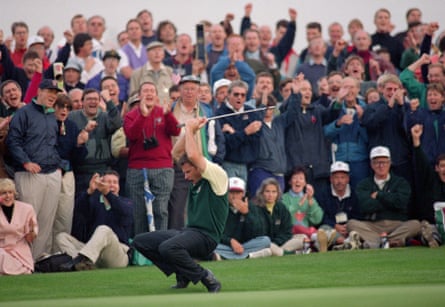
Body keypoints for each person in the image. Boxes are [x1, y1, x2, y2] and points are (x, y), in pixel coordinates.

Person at [133, 116, 229, 293]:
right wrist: (189, 131)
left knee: (168, 247)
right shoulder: (194, 176)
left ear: (199, 167)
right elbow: (177, 154)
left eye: (188, 171)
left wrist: (192, 129)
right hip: (189, 232)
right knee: (141, 241)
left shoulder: (217, 175)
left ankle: (205, 276)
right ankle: (183, 273)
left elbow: (193, 154)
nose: (185, 177)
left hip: (207, 237)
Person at [6, 79, 63, 259]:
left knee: (46, 221)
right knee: (28, 221)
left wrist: (58, 165)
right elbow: (12, 141)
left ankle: (37, 261)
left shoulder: (53, 116)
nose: (53, 96)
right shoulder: (24, 113)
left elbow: (54, 144)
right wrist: (25, 162)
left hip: (51, 173)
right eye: (49, 91)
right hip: (29, 174)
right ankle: (21, 259)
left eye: (55, 93)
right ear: (39, 91)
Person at [124, 81, 180, 233]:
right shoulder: (131, 116)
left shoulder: (163, 112)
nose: (148, 94)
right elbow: (132, 135)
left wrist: (169, 115)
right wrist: (142, 116)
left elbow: (176, 131)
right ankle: (140, 249)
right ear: (139, 95)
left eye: (152, 91)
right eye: (145, 91)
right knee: (138, 213)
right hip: (137, 169)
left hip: (162, 168)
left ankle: (160, 247)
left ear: (156, 96)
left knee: (160, 210)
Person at [57, 171, 133, 271]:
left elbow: (124, 212)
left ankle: (81, 260)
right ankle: (84, 263)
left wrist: (108, 194)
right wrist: (89, 191)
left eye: (115, 182)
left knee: (104, 229)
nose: (112, 185)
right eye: (108, 182)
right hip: (94, 253)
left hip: (116, 255)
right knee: (61, 237)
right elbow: (78, 210)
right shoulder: (94, 201)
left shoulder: (126, 202)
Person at [347, 146, 421, 248]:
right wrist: (391, 200)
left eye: (384, 162)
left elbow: (401, 203)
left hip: (396, 224)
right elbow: (365, 206)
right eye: (377, 162)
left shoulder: (400, 182)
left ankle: (377, 243)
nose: (381, 166)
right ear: (371, 164)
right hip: (373, 225)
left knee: (415, 224)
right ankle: (390, 242)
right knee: (351, 224)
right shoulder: (363, 184)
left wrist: (379, 195)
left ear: (390, 163)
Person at [68, 88, 121, 199]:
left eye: (96, 99)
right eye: (89, 99)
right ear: (82, 102)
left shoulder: (105, 116)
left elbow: (117, 123)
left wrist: (109, 101)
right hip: (79, 172)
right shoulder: (72, 117)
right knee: (82, 207)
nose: (93, 102)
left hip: (102, 170)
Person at [53, 94, 89, 249]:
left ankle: (61, 252)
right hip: (48, 172)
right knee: (47, 216)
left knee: (65, 216)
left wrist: (80, 145)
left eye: (67, 108)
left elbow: (78, 158)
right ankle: (42, 254)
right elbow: (50, 150)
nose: (64, 110)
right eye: (61, 107)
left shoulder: (72, 126)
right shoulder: (46, 124)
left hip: (67, 174)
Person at [323, 76, 370, 189]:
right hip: (339, 159)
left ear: (358, 89)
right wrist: (338, 124)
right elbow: (325, 133)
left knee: (359, 194)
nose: (349, 91)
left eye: (352, 87)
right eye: (345, 87)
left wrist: (361, 120)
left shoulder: (366, 109)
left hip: (360, 161)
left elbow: (370, 138)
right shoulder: (334, 108)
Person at [214, 177, 271, 260]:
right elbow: (214, 232)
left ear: (243, 194)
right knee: (209, 244)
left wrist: (247, 214)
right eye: (231, 192)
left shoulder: (251, 206)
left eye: (238, 192)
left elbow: (259, 232)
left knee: (265, 240)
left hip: (245, 245)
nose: (234, 196)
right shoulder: (219, 207)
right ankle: (248, 256)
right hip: (225, 244)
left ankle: (225, 256)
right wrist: (230, 241)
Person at [215, 80, 262, 182]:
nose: (239, 97)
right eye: (236, 94)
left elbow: (257, 137)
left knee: (243, 197)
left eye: (243, 95)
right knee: (231, 197)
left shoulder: (251, 112)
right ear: (228, 95)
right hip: (228, 163)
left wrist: (235, 133)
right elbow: (227, 143)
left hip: (248, 165)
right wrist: (246, 132)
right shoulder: (220, 114)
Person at [317, 161, 362, 251]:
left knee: (358, 227)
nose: (339, 181)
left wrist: (347, 226)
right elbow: (321, 216)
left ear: (348, 179)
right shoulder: (323, 194)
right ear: (331, 179)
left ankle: (345, 244)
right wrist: (334, 225)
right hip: (332, 229)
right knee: (323, 230)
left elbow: (359, 215)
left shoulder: (355, 194)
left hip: (350, 228)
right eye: (336, 177)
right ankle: (346, 243)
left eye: (342, 177)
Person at [255, 178, 306, 255]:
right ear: (262, 193)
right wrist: (273, 244)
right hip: (265, 244)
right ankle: (287, 253)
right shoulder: (256, 208)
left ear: (278, 193)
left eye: (274, 192)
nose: (270, 195)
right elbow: (259, 234)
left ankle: (279, 252)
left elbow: (287, 231)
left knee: (302, 238)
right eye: (267, 191)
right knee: (266, 244)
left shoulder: (281, 208)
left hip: (280, 243)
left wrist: (277, 242)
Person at [411, 124, 443, 247]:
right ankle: (430, 238)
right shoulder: (431, 180)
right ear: (436, 168)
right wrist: (416, 140)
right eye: (442, 166)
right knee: (428, 230)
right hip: (433, 224)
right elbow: (421, 162)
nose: (444, 169)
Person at [0, 178, 37, 275]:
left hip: (20, 251)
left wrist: (33, 231)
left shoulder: (27, 209)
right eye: (3, 193)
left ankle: (17, 270)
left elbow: (30, 238)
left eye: (10, 192)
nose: (7, 196)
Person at [281, 166, 324, 241]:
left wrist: (310, 201)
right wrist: (299, 204)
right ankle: (317, 237)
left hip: (306, 236)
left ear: (305, 183)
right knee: (297, 227)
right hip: (290, 235)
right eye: (295, 178)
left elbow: (317, 220)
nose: (298, 181)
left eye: (301, 178)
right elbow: (284, 218)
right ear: (290, 182)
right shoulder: (283, 198)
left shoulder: (310, 198)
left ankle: (317, 239)